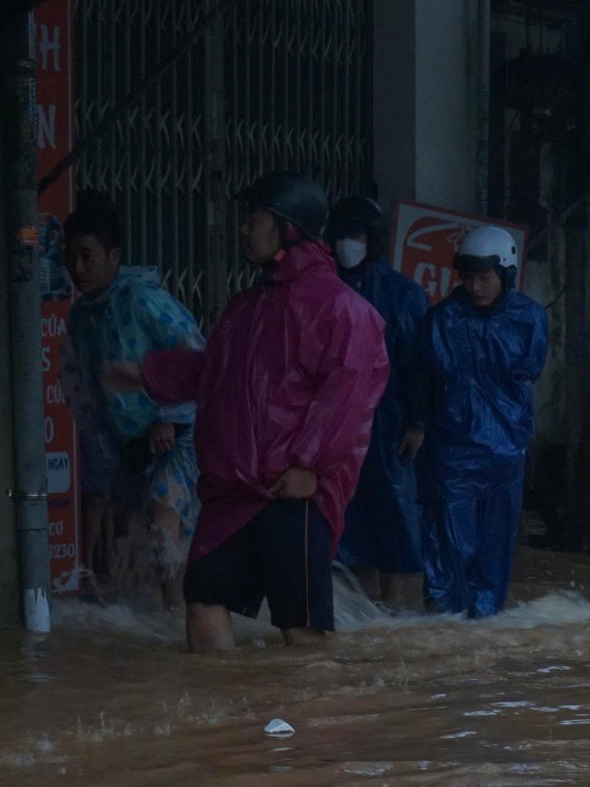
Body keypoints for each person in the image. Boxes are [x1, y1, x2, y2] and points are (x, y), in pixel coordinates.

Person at [105, 171, 388, 652]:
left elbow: (348, 396)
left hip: (290, 489)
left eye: (253, 219)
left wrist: (309, 466)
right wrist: (146, 373)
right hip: (232, 492)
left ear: (287, 228)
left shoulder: (341, 308)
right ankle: (228, 719)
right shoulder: (246, 308)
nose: (242, 229)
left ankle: (313, 724)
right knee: (202, 601)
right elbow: (215, 372)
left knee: (301, 628)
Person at [58, 191, 203, 609]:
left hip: (181, 434)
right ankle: (162, 617)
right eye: (71, 257)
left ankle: (179, 615)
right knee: (130, 538)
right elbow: (78, 380)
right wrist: (103, 437)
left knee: (162, 520)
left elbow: (194, 355)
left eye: (87, 256)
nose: (77, 268)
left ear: (114, 256)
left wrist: (169, 418)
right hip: (128, 443)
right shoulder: (83, 316)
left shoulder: (143, 299)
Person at [404, 225, 550, 617]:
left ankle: (484, 627)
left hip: (504, 452)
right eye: (468, 277)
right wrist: (418, 425)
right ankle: (447, 624)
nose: (475, 286)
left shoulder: (530, 318)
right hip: (451, 451)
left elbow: (526, 374)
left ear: (504, 274)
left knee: (494, 549)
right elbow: (420, 378)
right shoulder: (439, 320)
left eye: (484, 277)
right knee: (450, 547)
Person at [326, 195, 428, 609]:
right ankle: (363, 607)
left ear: (374, 240)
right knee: (346, 517)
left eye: (356, 236)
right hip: (338, 423)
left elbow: (421, 366)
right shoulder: (326, 288)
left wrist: (417, 423)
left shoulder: (403, 295)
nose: (346, 244)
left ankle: (394, 607)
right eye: (341, 235)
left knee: (392, 515)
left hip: (388, 422)